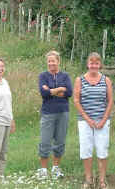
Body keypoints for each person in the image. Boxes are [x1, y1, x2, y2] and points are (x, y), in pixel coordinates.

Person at [73, 52, 113, 189]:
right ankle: (88, 179)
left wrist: (104, 119)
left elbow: (110, 101)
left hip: (102, 120)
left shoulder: (106, 80)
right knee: (86, 150)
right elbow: (76, 100)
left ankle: (102, 180)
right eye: (91, 63)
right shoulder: (80, 80)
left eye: (96, 63)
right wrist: (87, 119)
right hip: (85, 121)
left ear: (100, 64)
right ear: (87, 64)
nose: (93, 65)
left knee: (102, 149)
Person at [37, 51, 73, 179]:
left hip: (63, 112)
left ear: (58, 61)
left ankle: (56, 168)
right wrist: (60, 89)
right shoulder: (43, 76)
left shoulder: (65, 76)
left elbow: (69, 92)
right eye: (49, 61)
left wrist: (52, 90)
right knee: (45, 141)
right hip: (48, 113)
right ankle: (43, 170)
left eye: (53, 61)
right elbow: (43, 93)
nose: (51, 63)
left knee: (60, 140)